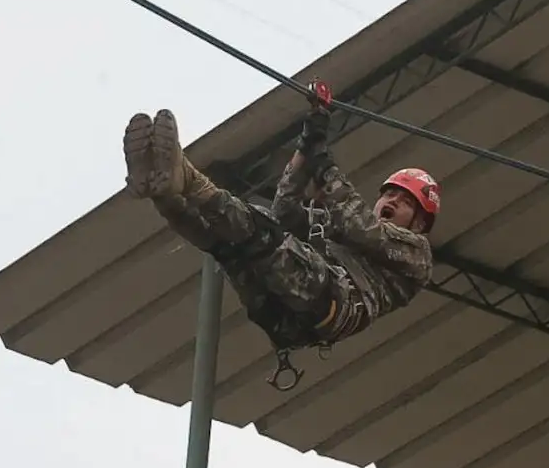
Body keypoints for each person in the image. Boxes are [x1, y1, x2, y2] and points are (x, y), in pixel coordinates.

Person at [122, 104, 438, 370]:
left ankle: (188, 179)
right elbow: (285, 209)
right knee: (231, 247)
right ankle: (162, 192)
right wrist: (306, 148)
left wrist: (325, 166)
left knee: (261, 232)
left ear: (420, 223)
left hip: (332, 300)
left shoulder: (417, 256)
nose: (393, 202)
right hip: (288, 315)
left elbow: (363, 228)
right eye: (390, 195)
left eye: (406, 202)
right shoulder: (340, 232)